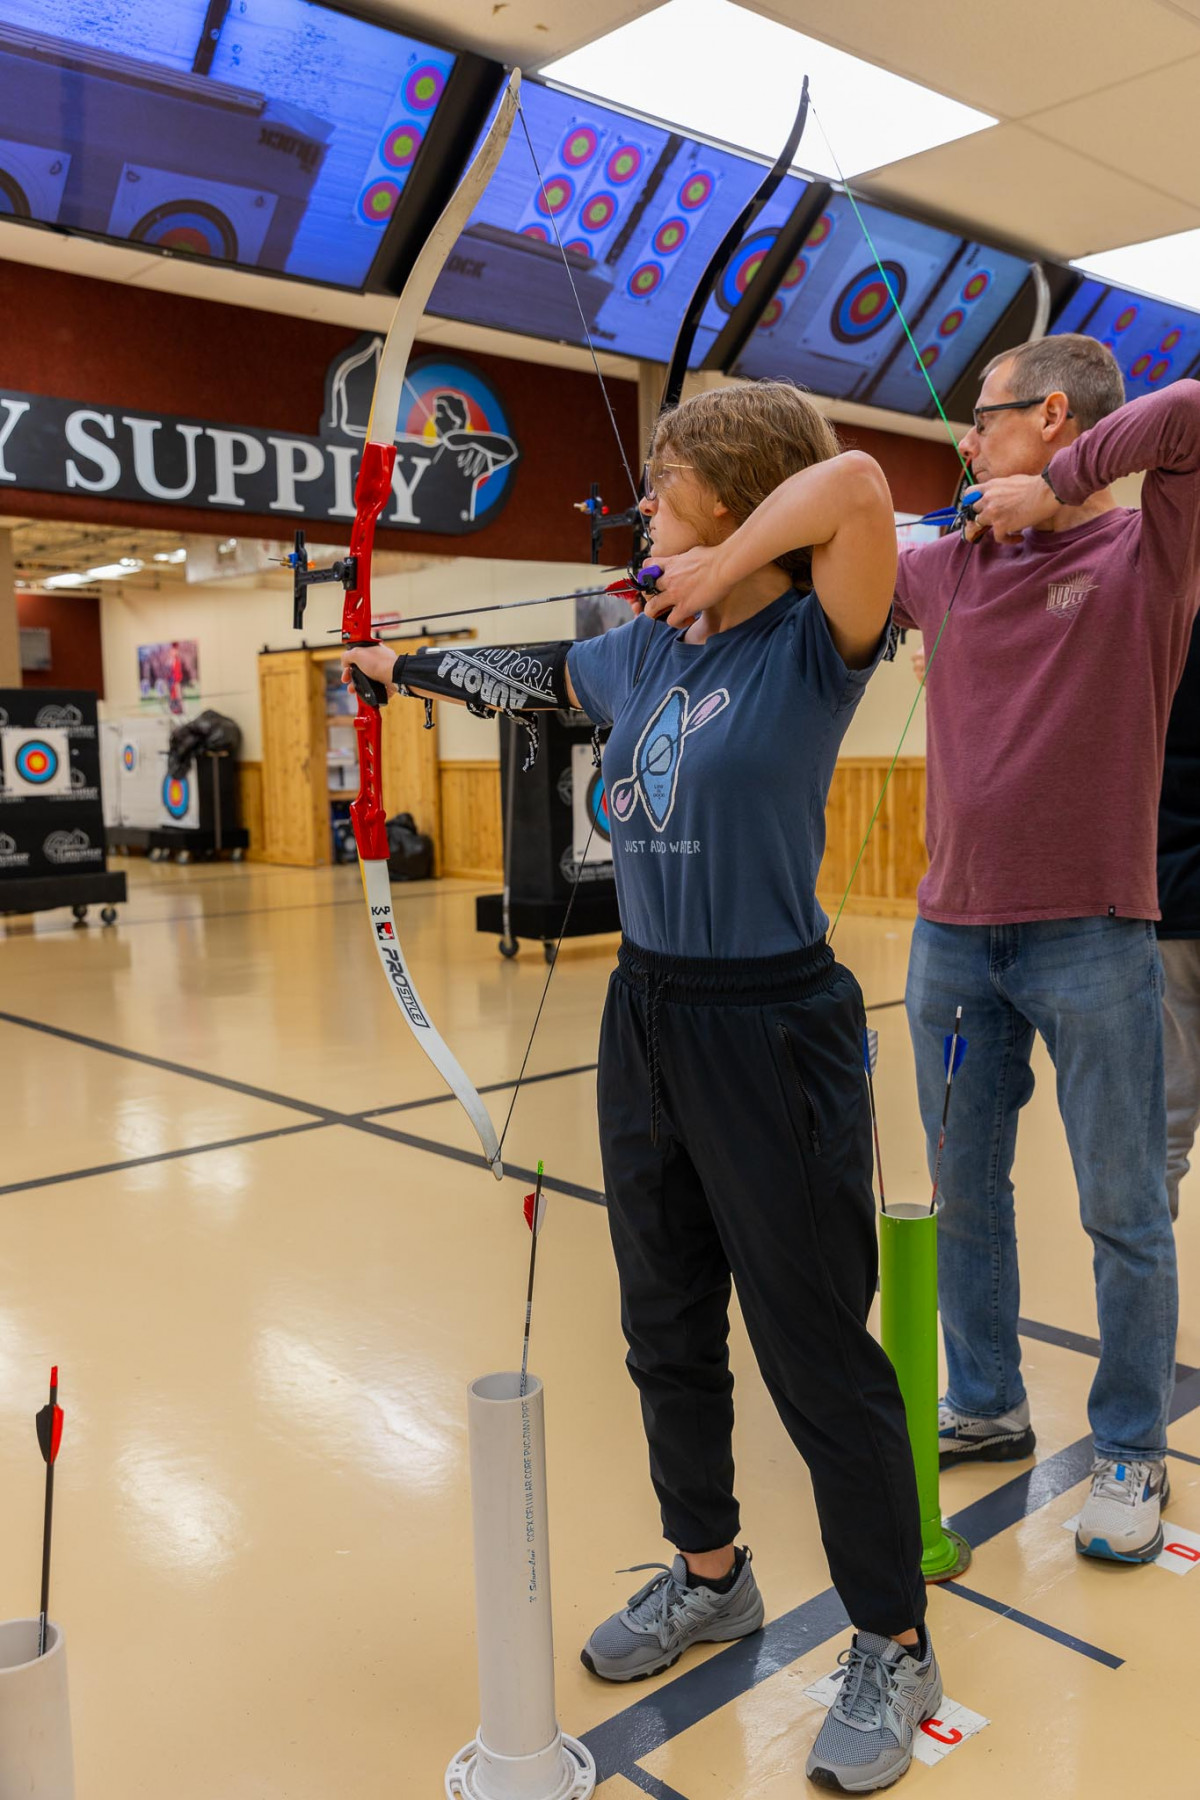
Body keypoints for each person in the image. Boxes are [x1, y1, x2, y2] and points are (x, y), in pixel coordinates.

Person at [345, 382, 940, 1793]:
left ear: (730, 507)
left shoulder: (815, 636)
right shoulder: (637, 652)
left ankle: (895, 1640)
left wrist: (728, 573)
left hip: (772, 1021)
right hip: (651, 1014)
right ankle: (709, 1572)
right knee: (664, 1319)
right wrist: (401, 671)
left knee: (813, 1349)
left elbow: (855, 484)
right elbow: (536, 681)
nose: (644, 520)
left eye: (668, 498)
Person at [891, 339, 1200, 1563]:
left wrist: (1061, 484)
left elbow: (1190, 409)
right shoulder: (947, 569)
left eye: (984, 422)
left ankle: (1131, 1444)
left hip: (1095, 936)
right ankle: (986, 1399)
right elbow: (843, 535)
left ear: (1052, 415)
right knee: (965, 1193)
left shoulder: (1145, 556)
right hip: (952, 940)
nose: (967, 444)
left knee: (1126, 1206)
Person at [1158, 614, 1200, 1220]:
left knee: (1161, 1131)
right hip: (1167, 901)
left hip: (1166, 898)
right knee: (1160, 1131)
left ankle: (1147, 1310)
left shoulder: (1162, 619)